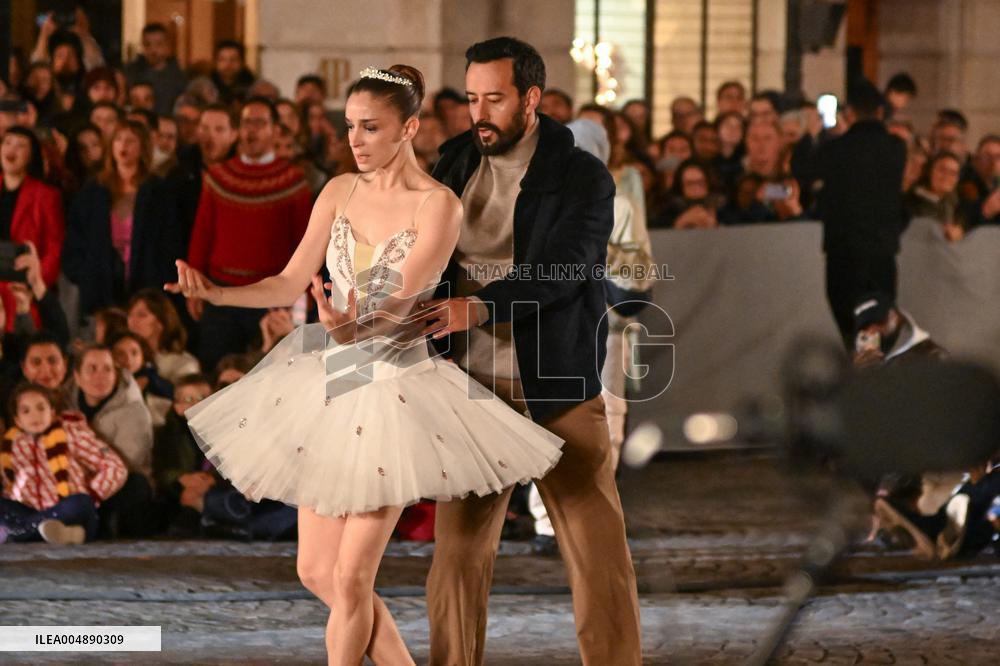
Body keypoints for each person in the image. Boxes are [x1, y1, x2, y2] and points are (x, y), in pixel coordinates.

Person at [167, 63, 562, 665]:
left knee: (350, 579)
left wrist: (356, 325)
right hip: (329, 381)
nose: (354, 140)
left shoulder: (439, 205)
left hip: (395, 390)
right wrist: (213, 293)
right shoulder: (337, 190)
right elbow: (288, 282)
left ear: (409, 129)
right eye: (350, 125)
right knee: (314, 571)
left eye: (370, 127)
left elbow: (405, 300)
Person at [421, 37, 642, 665]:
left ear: (531, 99)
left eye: (494, 98)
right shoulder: (454, 163)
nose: (479, 112)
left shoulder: (582, 176)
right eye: (471, 98)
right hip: (469, 391)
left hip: (556, 385)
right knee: (456, 560)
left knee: (598, 560)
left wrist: (481, 305)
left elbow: (568, 267)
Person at [185, 97, 312, 370]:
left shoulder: (293, 180)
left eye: (260, 123)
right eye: (246, 123)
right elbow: (203, 232)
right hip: (221, 292)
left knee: (268, 377)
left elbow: (304, 243)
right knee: (217, 371)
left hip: (271, 298)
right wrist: (195, 287)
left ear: (275, 130)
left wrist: (302, 297)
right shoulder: (218, 176)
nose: (251, 130)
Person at [813, 79, 907, 347]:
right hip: (882, 254)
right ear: (880, 112)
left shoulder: (835, 150)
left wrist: (814, 135)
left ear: (848, 114)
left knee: (849, 328)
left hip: (844, 255)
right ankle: (877, 378)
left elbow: (806, 173)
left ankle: (860, 378)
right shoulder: (896, 148)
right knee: (879, 329)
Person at [63, 120, 182, 317]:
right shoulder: (94, 191)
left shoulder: (158, 192)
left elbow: (170, 243)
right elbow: (75, 239)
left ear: (143, 146)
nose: (123, 146)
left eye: (130, 141)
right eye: (118, 139)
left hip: (146, 290)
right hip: (100, 291)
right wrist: (85, 275)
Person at [1, 383, 127, 544]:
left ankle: (21, 533)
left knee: (81, 502)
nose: (35, 416)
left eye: (41, 408)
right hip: (29, 511)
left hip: (66, 512)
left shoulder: (71, 434)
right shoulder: (12, 445)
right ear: (17, 420)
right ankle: (64, 535)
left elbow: (115, 467)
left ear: (52, 412)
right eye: (26, 411)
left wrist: (93, 493)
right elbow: (9, 486)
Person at [125, 23, 188, 118]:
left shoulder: (179, 78)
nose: (153, 50)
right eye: (147, 44)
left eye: (159, 44)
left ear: (168, 46)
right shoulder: (131, 74)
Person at [904, 151, 967, 242]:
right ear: (929, 171)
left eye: (953, 173)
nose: (947, 176)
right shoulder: (910, 201)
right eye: (942, 170)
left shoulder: (954, 203)